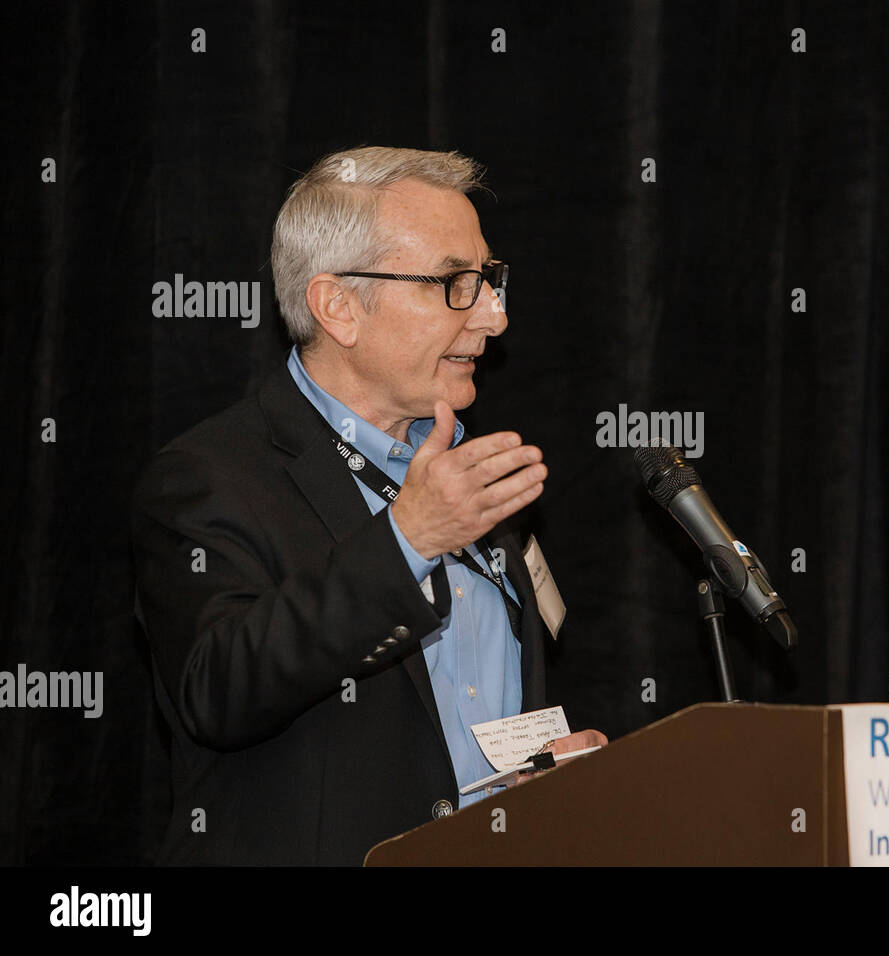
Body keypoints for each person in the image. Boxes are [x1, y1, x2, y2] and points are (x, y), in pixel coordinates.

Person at [131, 145, 604, 865]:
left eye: (490, 279)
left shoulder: (464, 470)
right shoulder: (208, 477)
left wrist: (549, 771)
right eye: (455, 283)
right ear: (339, 307)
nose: (495, 317)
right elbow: (218, 690)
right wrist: (408, 538)